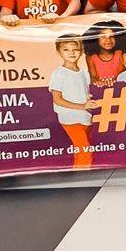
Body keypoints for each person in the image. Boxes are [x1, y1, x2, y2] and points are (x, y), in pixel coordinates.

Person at [48, 33, 96, 168]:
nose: (71, 53)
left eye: (75, 49)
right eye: (66, 49)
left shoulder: (84, 73)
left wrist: (90, 104)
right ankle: (82, 178)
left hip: (85, 117)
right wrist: (82, 106)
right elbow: (57, 99)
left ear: (81, 52)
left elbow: (85, 93)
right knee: (84, 150)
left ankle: (80, 171)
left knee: (82, 150)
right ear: (59, 52)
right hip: (70, 119)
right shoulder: (59, 73)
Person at [85, 20, 126, 84]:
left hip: (119, 87)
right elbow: (93, 77)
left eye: (112, 36)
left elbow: (121, 75)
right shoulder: (91, 56)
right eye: (103, 37)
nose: (108, 40)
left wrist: (111, 82)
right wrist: (97, 83)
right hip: (100, 89)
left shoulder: (120, 53)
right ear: (95, 38)